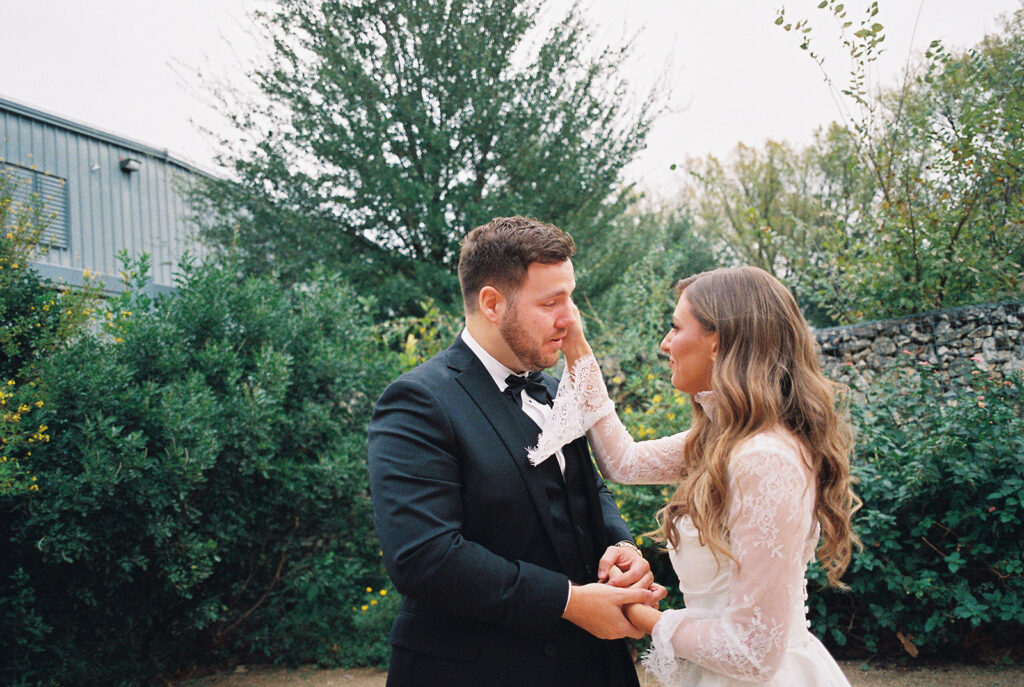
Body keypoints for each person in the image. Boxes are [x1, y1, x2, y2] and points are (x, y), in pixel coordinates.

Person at [368, 216, 664, 687]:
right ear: (491, 303)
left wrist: (620, 546)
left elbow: (586, 490)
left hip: (594, 668)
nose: (570, 319)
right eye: (550, 302)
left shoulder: (552, 388)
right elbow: (424, 557)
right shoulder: (418, 401)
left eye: (569, 296)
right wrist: (568, 601)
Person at [535, 265, 860, 686]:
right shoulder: (725, 440)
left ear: (717, 343)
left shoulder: (764, 457)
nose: (664, 343)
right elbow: (624, 462)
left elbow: (754, 650)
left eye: (675, 327)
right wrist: (576, 346)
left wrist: (640, 614)